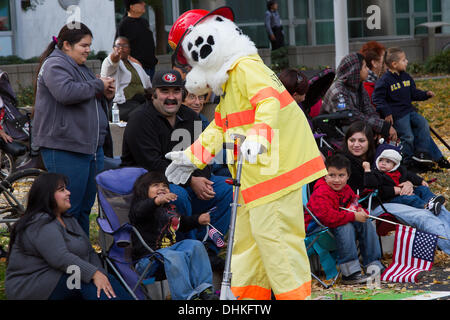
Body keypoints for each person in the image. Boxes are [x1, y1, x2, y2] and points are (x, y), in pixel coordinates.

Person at [167, 7, 327, 300]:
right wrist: (191, 156)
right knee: (249, 245)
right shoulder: (231, 79)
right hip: (258, 176)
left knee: (276, 242)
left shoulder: (244, 68)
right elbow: (221, 126)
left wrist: (259, 136)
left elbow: (269, 103)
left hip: (275, 173)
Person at [120, 69, 232, 271]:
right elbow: (153, 163)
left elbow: (204, 156)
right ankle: (187, 251)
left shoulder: (190, 117)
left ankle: (209, 250)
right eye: (164, 91)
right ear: (153, 92)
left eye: (176, 91)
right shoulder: (139, 119)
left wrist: (202, 180)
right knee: (176, 194)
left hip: (187, 179)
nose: (171, 97)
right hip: (152, 187)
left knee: (226, 188)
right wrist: (192, 181)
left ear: (183, 93)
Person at [32, 23, 115, 237]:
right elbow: (66, 93)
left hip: (89, 148)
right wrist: (98, 85)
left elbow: (86, 97)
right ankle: (67, 260)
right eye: (83, 45)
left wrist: (105, 93)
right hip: (65, 148)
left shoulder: (80, 66)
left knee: (84, 210)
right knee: (68, 209)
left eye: (89, 45)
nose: (88, 49)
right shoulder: (55, 65)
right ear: (67, 45)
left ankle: (82, 255)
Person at [5, 173, 132, 300]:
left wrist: (101, 274)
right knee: (83, 278)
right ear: (47, 195)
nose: (68, 193)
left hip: (59, 279)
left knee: (104, 278)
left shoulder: (68, 220)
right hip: (31, 285)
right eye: (62, 190)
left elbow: (90, 252)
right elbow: (60, 258)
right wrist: (94, 273)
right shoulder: (39, 222)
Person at [341, 121, 450, 255]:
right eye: (352, 140)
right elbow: (366, 191)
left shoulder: (379, 157)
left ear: (370, 141)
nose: (356, 144)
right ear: (346, 141)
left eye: (361, 140)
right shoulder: (344, 164)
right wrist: (397, 189)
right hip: (373, 205)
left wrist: (408, 183)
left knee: (439, 209)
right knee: (424, 216)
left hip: (397, 198)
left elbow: (399, 172)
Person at [129, 171, 218, 300]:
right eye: (155, 185)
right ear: (144, 190)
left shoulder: (169, 208)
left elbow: (181, 224)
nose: (161, 188)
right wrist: (156, 201)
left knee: (196, 245)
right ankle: (187, 297)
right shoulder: (140, 207)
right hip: (148, 259)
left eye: (164, 186)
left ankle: (205, 289)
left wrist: (197, 219)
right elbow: (137, 213)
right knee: (176, 255)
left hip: (170, 254)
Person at [306, 154, 385, 284]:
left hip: (336, 229)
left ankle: (373, 264)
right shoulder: (321, 192)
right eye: (332, 175)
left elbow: (353, 205)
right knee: (345, 224)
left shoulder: (346, 189)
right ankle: (350, 273)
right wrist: (354, 215)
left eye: (341, 175)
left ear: (348, 176)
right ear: (324, 175)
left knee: (365, 221)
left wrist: (361, 211)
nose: (337, 180)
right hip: (318, 232)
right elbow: (328, 218)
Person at [372, 47, 450, 169]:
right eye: (404, 60)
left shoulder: (406, 77)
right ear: (394, 64)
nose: (407, 62)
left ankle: (422, 154)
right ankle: (407, 160)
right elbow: (378, 99)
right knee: (408, 136)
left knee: (423, 124)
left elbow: (413, 93)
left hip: (409, 111)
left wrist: (425, 95)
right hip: (398, 115)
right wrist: (387, 113)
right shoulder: (385, 81)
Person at [321, 52, 397, 143]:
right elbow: (350, 116)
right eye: (365, 67)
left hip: (355, 128)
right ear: (355, 70)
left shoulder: (358, 86)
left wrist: (378, 128)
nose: (368, 70)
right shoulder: (338, 90)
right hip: (337, 132)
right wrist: (381, 126)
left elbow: (369, 109)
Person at [363, 143, 445, 215]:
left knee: (422, 189)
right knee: (410, 198)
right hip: (391, 199)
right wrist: (367, 171)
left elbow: (411, 176)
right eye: (381, 160)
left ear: (394, 164)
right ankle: (426, 206)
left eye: (388, 161)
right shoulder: (377, 174)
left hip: (404, 193)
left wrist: (421, 181)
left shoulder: (400, 170)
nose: (383, 163)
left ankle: (433, 201)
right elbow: (373, 186)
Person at [101, 36, 151, 122]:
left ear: (129, 49)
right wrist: (116, 55)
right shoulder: (111, 63)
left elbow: (147, 84)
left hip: (141, 101)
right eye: (118, 45)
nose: (121, 48)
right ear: (113, 48)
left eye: (125, 45)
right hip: (122, 104)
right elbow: (112, 61)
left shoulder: (136, 65)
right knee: (142, 113)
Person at [182, 88, 231, 177]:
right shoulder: (179, 120)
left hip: (211, 168)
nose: (197, 102)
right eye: (192, 97)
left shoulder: (202, 119)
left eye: (200, 97)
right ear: (181, 100)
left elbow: (219, 142)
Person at [116, 0, 158, 80]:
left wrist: (153, 57)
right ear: (132, 7)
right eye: (140, 3)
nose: (144, 4)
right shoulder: (124, 24)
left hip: (151, 67)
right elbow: (118, 48)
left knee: (150, 91)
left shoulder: (144, 22)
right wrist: (133, 61)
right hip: (135, 69)